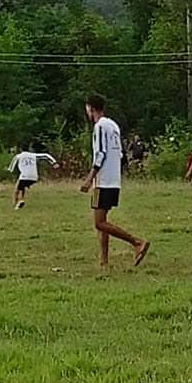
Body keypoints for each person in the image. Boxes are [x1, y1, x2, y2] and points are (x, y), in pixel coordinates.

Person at [81, 94, 149, 267]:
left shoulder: (99, 127)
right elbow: (118, 154)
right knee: (104, 221)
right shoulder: (113, 126)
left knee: (99, 222)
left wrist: (89, 179)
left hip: (103, 181)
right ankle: (104, 260)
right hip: (114, 180)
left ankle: (137, 242)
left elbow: (101, 154)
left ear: (91, 108)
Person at [9, 143, 56, 208]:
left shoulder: (18, 156)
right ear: (29, 149)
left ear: (20, 149)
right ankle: (21, 199)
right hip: (34, 177)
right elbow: (46, 155)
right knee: (22, 186)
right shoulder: (33, 155)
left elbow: (11, 167)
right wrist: (54, 163)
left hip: (24, 176)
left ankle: (16, 204)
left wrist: (9, 170)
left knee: (16, 189)